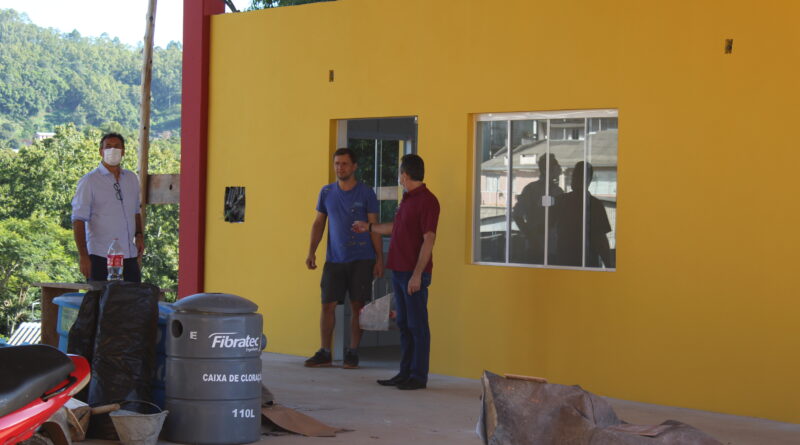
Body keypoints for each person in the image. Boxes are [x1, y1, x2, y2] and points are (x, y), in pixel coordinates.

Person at [353, 154, 440, 390]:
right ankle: (405, 372)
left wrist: (417, 274)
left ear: (405, 175)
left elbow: (429, 238)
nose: (399, 178)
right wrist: (369, 227)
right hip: (399, 270)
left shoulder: (428, 201)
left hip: (413, 274)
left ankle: (418, 376)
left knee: (417, 325)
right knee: (403, 323)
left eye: (400, 174)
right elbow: (396, 227)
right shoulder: (407, 200)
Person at [305, 148, 383, 369]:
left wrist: (379, 258)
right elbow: (319, 223)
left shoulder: (366, 193)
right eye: (337, 164)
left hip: (362, 257)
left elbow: (374, 226)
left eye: (345, 164)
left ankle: (353, 351)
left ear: (354, 166)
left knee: (359, 306)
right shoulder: (327, 192)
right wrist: (311, 251)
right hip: (334, 259)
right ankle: (325, 351)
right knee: (327, 305)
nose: (340, 168)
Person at [71, 132, 144, 282]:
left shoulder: (131, 178)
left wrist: (139, 235)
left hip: (129, 256)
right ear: (101, 151)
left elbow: (135, 211)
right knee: (102, 303)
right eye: (108, 146)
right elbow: (78, 219)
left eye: (117, 146)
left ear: (123, 151)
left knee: (132, 302)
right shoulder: (90, 181)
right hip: (100, 256)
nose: (113, 150)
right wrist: (83, 256)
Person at [551, 161, 613, 268]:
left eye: (577, 175)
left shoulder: (593, 205)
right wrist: (609, 265)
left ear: (587, 180)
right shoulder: (561, 201)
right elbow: (601, 241)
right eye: (574, 175)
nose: (573, 178)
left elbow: (600, 239)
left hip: (572, 263)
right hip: (576, 263)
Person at [512, 153, 563, 264]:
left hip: (553, 248)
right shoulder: (531, 190)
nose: (558, 170)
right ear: (546, 170)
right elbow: (517, 215)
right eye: (555, 167)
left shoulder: (558, 192)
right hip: (535, 249)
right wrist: (531, 237)